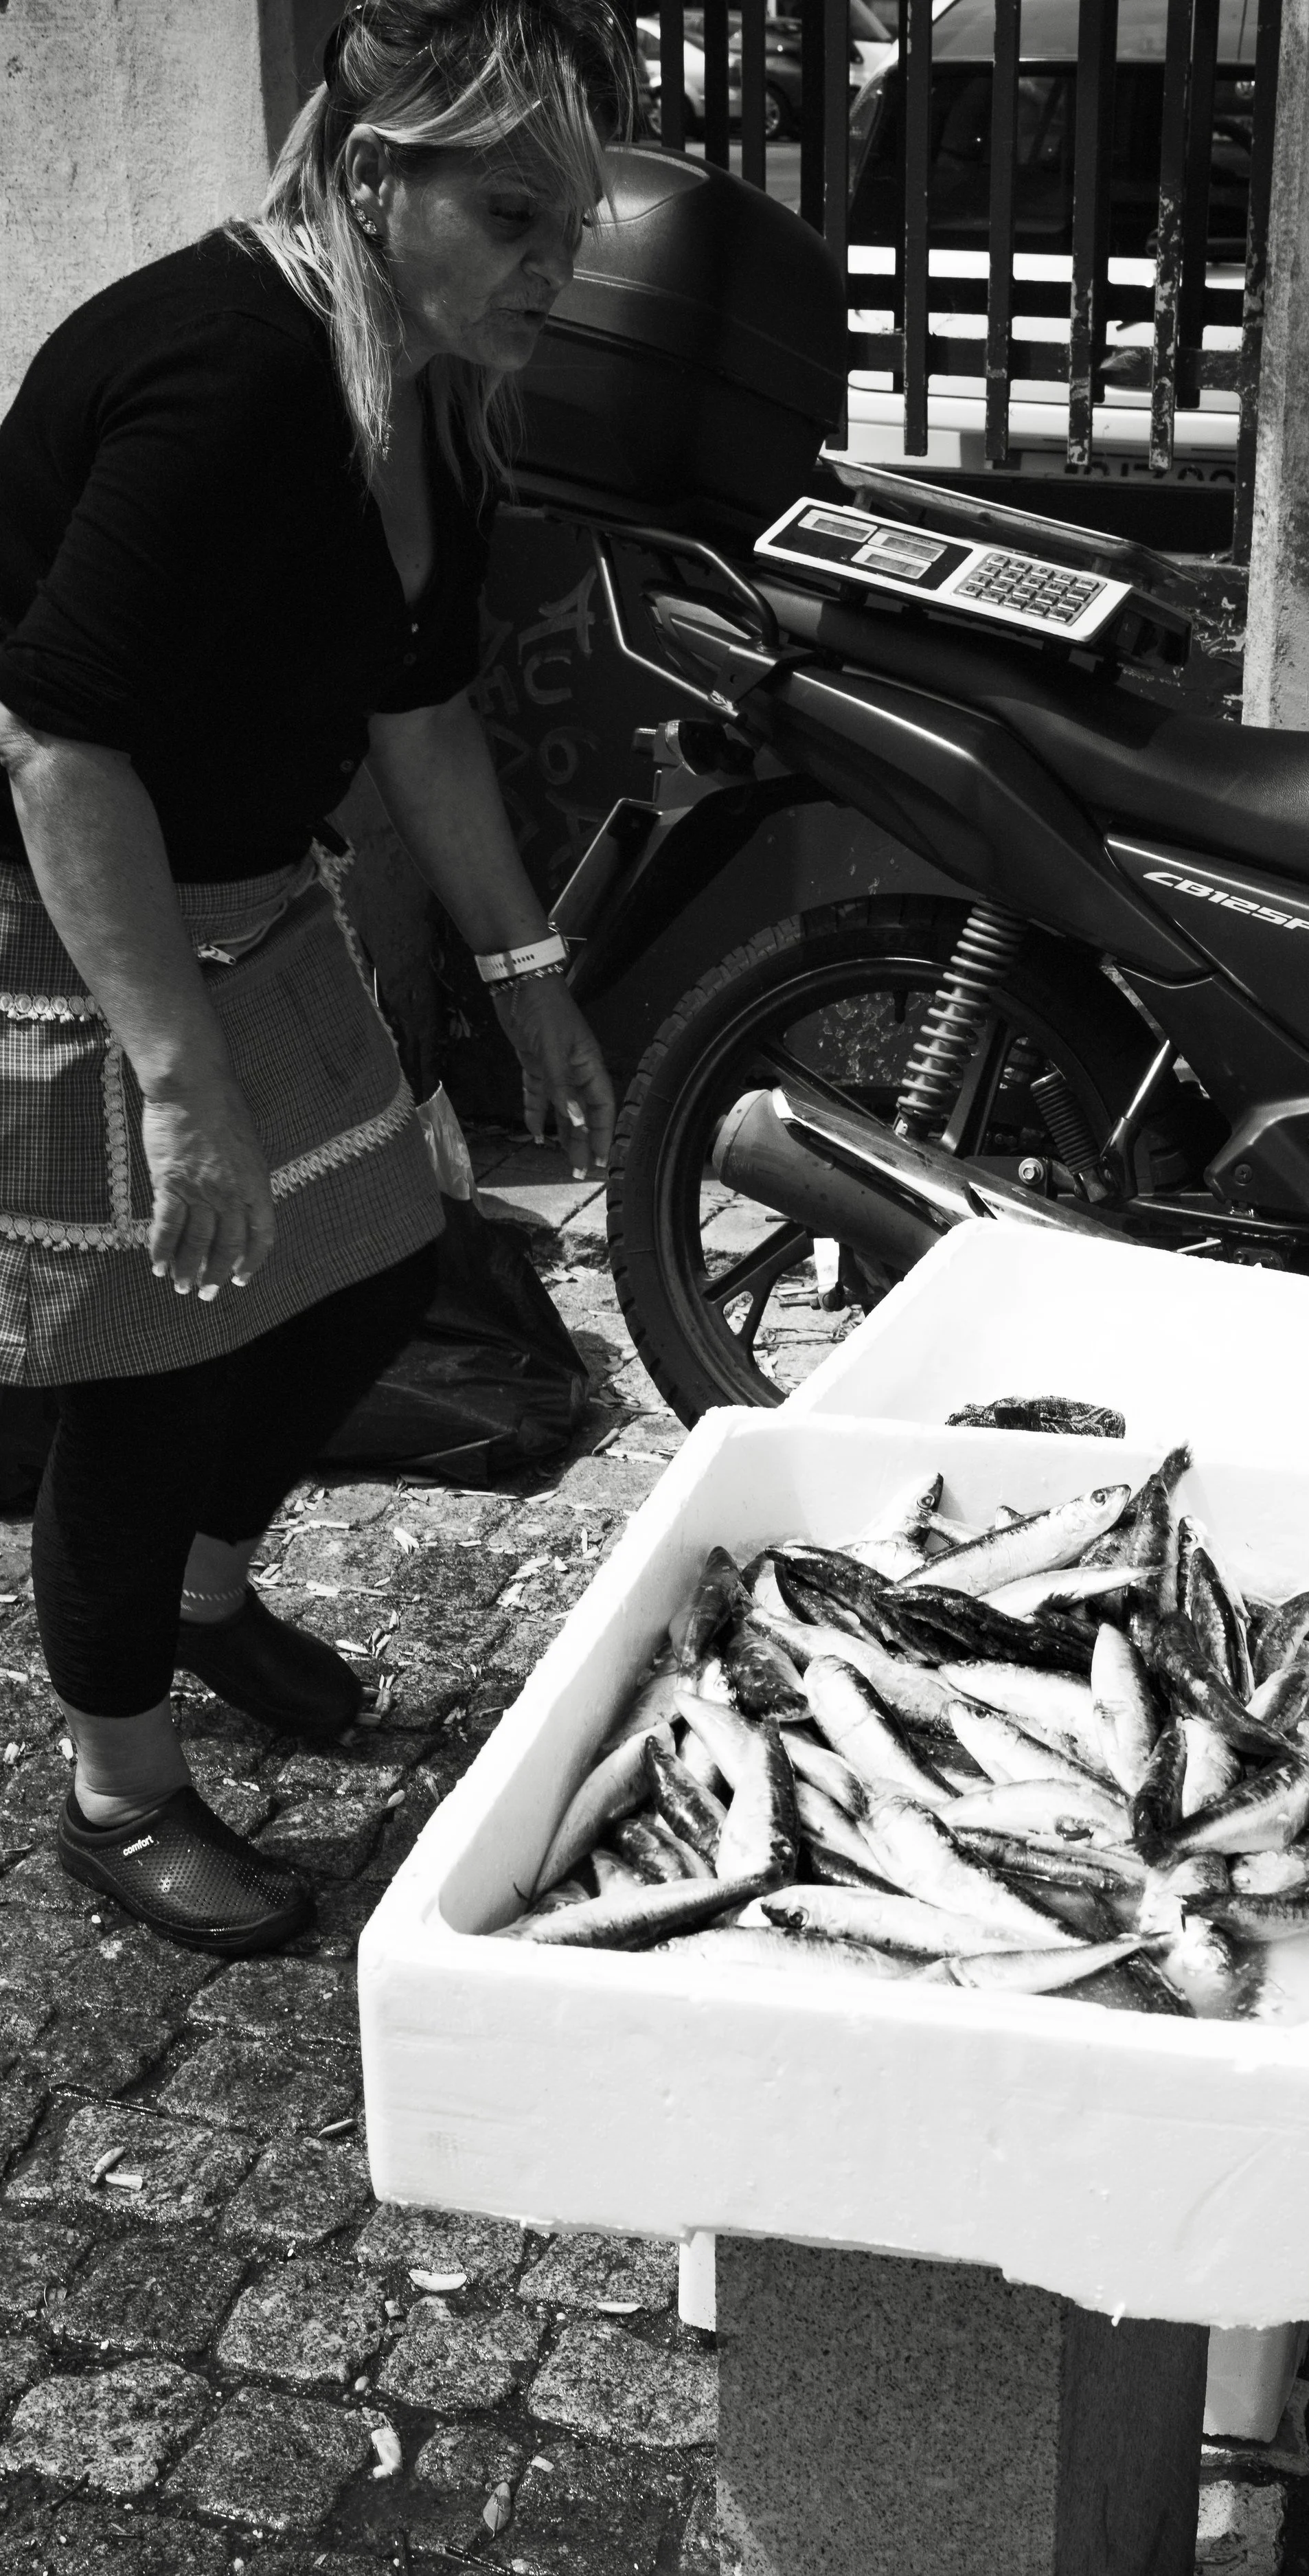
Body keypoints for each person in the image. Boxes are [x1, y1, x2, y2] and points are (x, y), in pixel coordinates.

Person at [0, 0, 632, 1957]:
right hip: (69, 904)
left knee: (366, 1258)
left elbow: (422, 702)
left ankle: (202, 1594)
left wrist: (529, 968)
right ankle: (116, 1787)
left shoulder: (423, 384)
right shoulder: (232, 377)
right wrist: (177, 1079)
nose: (553, 267)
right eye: (512, 215)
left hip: (251, 887)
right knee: (155, 1353)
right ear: (375, 180)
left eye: (573, 228)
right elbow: (56, 742)